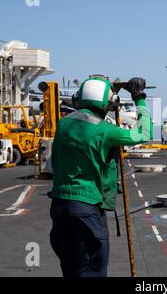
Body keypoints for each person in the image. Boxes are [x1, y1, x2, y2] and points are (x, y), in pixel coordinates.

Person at [49, 76, 152, 278]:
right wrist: (139, 98)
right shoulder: (105, 130)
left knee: (71, 270)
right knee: (91, 271)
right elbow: (143, 134)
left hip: (59, 207)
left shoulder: (63, 124)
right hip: (86, 209)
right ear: (110, 102)